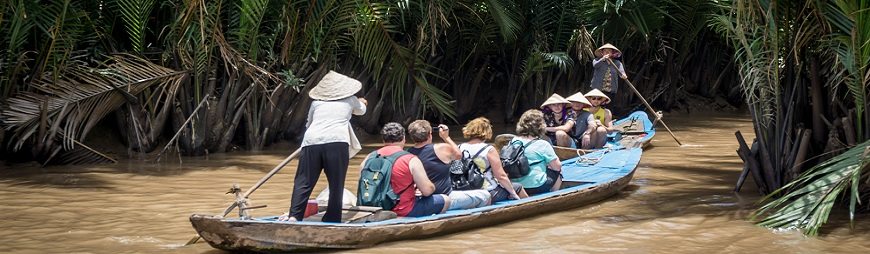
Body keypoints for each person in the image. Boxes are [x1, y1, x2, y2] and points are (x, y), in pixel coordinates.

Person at [280, 71, 368, 222]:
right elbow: (361, 111)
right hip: (337, 142)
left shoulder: (317, 103)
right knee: (336, 182)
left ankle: (294, 216)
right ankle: (332, 218)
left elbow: (309, 123)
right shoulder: (351, 100)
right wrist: (363, 102)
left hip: (312, 141)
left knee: (303, 181)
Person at [362, 122, 450, 217]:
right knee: (445, 199)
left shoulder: (369, 157)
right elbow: (427, 190)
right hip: (402, 210)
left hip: (372, 208)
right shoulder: (410, 159)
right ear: (404, 139)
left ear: (383, 140)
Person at [407, 120, 491, 210]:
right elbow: (458, 155)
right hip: (446, 198)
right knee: (486, 195)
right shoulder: (440, 148)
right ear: (429, 134)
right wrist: (446, 137)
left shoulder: (408, 153)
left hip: (424, 198)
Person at [459, 117, 528, 203]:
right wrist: (513, 193)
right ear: (487, 131)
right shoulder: (489, 149)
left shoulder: (460, 147)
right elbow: (501, 176)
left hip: (465, 189)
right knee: (518, 187)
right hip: (488, 190)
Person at [510, 109, 563, 195]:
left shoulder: (514, 141)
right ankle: (554, 195)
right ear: (541, 126)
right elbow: (557, 167)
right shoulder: (543, 144)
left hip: (516, 186)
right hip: (537, 186)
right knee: (559, 171)